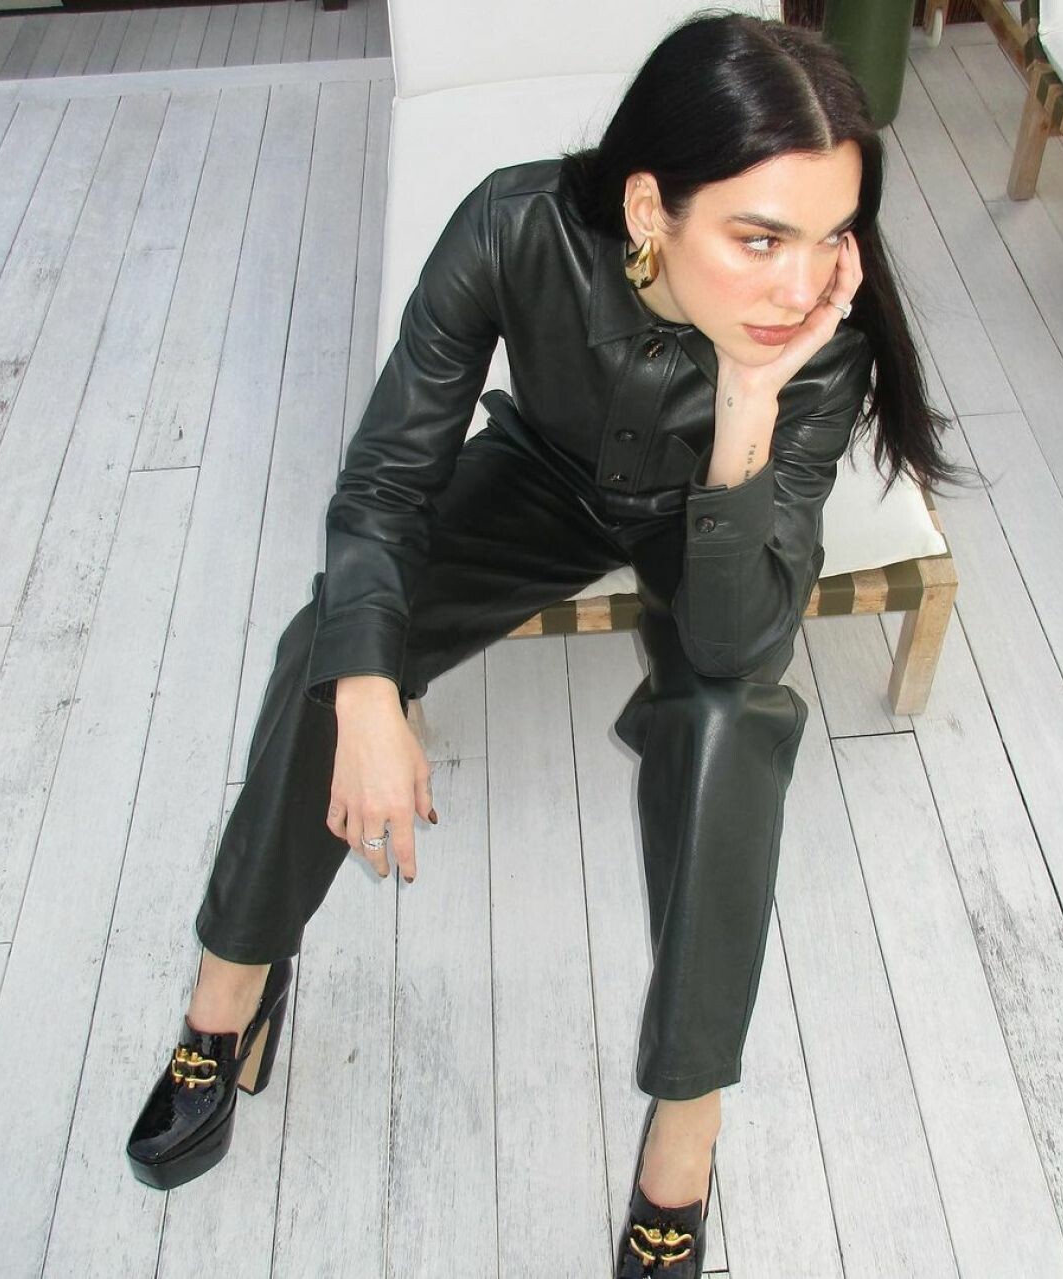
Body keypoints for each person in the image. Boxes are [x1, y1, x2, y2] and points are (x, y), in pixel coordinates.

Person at [125, 9, 973, 1276]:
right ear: (647, 208)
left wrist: (750, 396)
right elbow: (386, 482)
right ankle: (230, 993)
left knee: (731, 721)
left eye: (827, 237)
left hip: (713, 517)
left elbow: (736, 641)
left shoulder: (817, 342)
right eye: (758, 238)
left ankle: (684, 1128)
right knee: (329, 646)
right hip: (543, 480)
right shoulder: (514, 225)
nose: (800, 285)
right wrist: (370, 691)